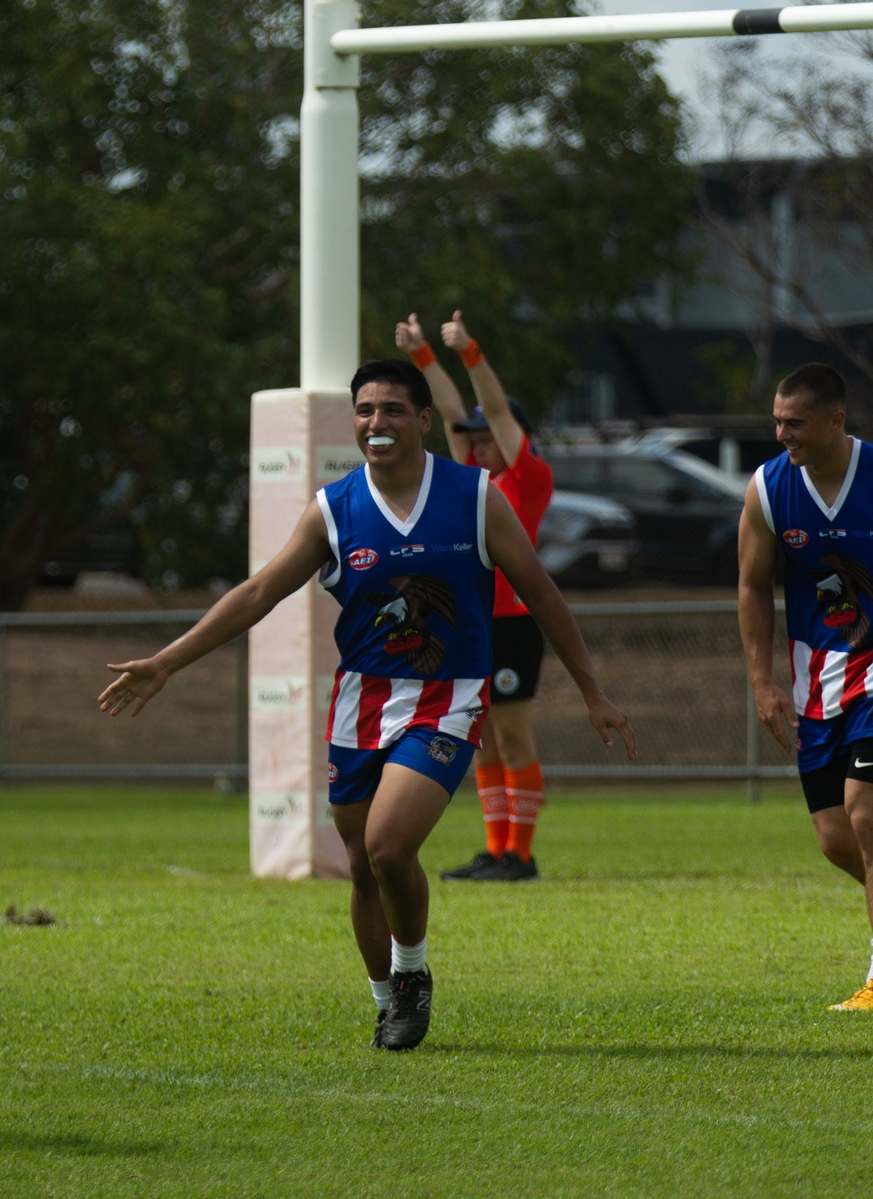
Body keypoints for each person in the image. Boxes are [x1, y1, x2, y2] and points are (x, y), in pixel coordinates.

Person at [99, 358, 636, 1051]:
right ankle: (386, 999)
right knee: (361, 867)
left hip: (449, 699)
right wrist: (166, 662)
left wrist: (592, 689)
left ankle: (411, 976)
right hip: (361, 703)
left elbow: (540, 592)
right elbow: (259, 593)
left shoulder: (474, 496)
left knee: (388, 847)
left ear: (421, 421)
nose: (375, 423)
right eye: (364, 411)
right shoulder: (334, 508)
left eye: (390, 410)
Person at [396, 309, 553, 882]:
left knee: (512, 736)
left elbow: (492, 410)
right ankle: (495, 849)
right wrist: (422, 356)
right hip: (471, 626)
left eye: (490, 438)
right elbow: (455, 414)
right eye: (472, 441)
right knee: (481, 740)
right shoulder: (471, 482)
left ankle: (522, 855)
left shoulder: (527, 479)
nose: (478, 444)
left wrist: (470, 352)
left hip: (512, 624)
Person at [739, 362, 873, 1011]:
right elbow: (751, 587)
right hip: (815, 685)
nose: (781, 432)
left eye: (794, 422)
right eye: (776, 420)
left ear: (836, 421)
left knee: (866, 813)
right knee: (835, 839)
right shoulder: (767, 489)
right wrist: (763, 682)